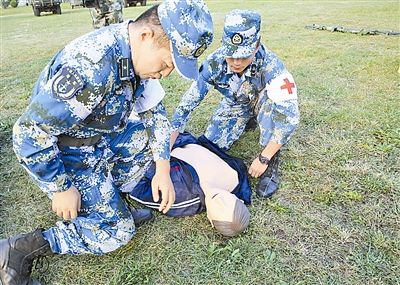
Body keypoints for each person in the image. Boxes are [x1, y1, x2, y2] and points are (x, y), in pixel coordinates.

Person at [0, 1, 213, 284]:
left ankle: (111, 200)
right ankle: (20, 249)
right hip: (64, 150)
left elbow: (156, 116)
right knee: (118, 232)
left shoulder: (135, 55)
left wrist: (163, 169)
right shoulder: (91, 67)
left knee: (143, 141)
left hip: (98, 136)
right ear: (146, 36)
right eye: (166, 63)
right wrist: (61, 188)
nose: (165, 73)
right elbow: (29, 133)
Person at [170, 10, 300, 198]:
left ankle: (271, 164)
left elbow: (289, 118)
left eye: (244, 56)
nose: (236, 62)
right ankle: (247, 121)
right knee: (213, 144)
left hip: (264, 102)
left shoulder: (273, 67)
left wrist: (264, 158)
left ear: (256, 46)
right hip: (237, 104)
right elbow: (187, 104)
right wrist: (169, 144)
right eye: (230, 55)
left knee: (271, 114)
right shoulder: (214, 63)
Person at [129, 131, 252, 237]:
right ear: (238, 200)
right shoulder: (235, 176)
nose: (220, 200)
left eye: (219, 208)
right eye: (228, 203)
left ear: (210, 220)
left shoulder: (181, 198)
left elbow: (134, 186)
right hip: (173, 132)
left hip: (143, 147)